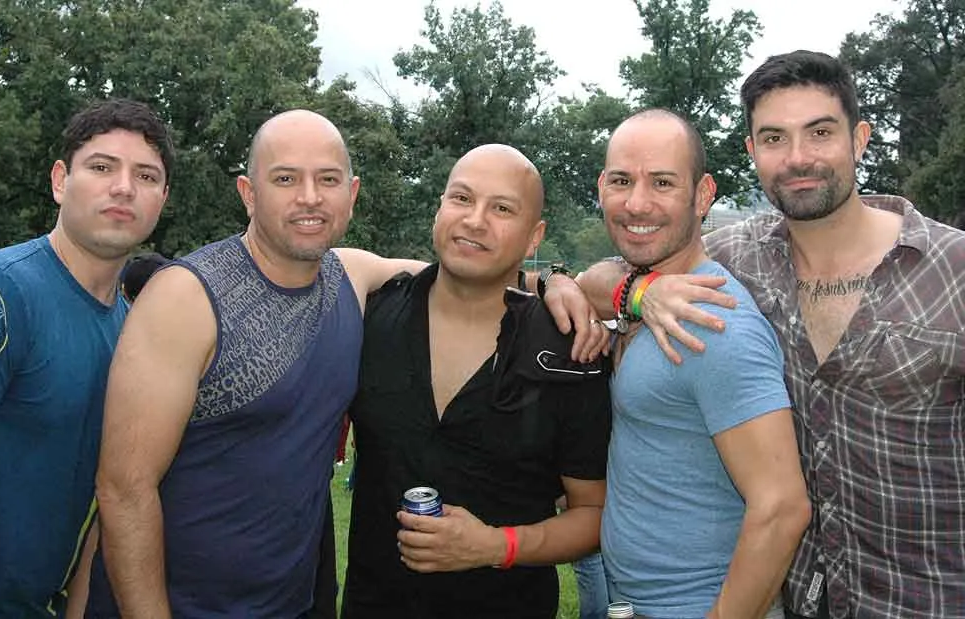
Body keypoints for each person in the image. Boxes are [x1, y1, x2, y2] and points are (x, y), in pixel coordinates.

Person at [87, 112, 606, 618]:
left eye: (328, 179)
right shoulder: (186, 297)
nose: (309, 197)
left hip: (299, 600)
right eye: (285, 178)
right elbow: (123, 490)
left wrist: (556, 281)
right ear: (248, 192)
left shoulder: (350, 279)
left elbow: (469, 269)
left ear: (351, 194)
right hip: (183, 603)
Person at [586, 51, 965, 619]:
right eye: (773, 138)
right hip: (798, 596)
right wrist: (638, 293)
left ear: (860, 139)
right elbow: (604, 273)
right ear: (752, 151)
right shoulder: (737, 258)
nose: (797, 158)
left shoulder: (953, 270)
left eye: (820, 132)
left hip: (929, 600)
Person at [341, 144, 612, 619]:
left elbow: (594, 515)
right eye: (462, 198)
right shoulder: (371, 317)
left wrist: (496, 546)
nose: (475, 220)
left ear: (534, 236)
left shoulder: (568, 353)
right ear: (439, 209)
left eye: (502, 208)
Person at [594, 109, 810, 619]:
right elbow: (591, 283)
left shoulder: (715, 325)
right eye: (622, 181)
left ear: (702, 195)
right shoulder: (647, 295)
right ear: (602, 187)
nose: (637, 202)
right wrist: (614, 290)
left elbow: (782, 508)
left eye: (662, 182)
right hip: (634, 599)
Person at [0, 98, 173, 619]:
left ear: (162, 200)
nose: (123, 187)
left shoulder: (133, 332)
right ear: (60, 181)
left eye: (146, 176)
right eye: (102, 167)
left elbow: (112, 500)